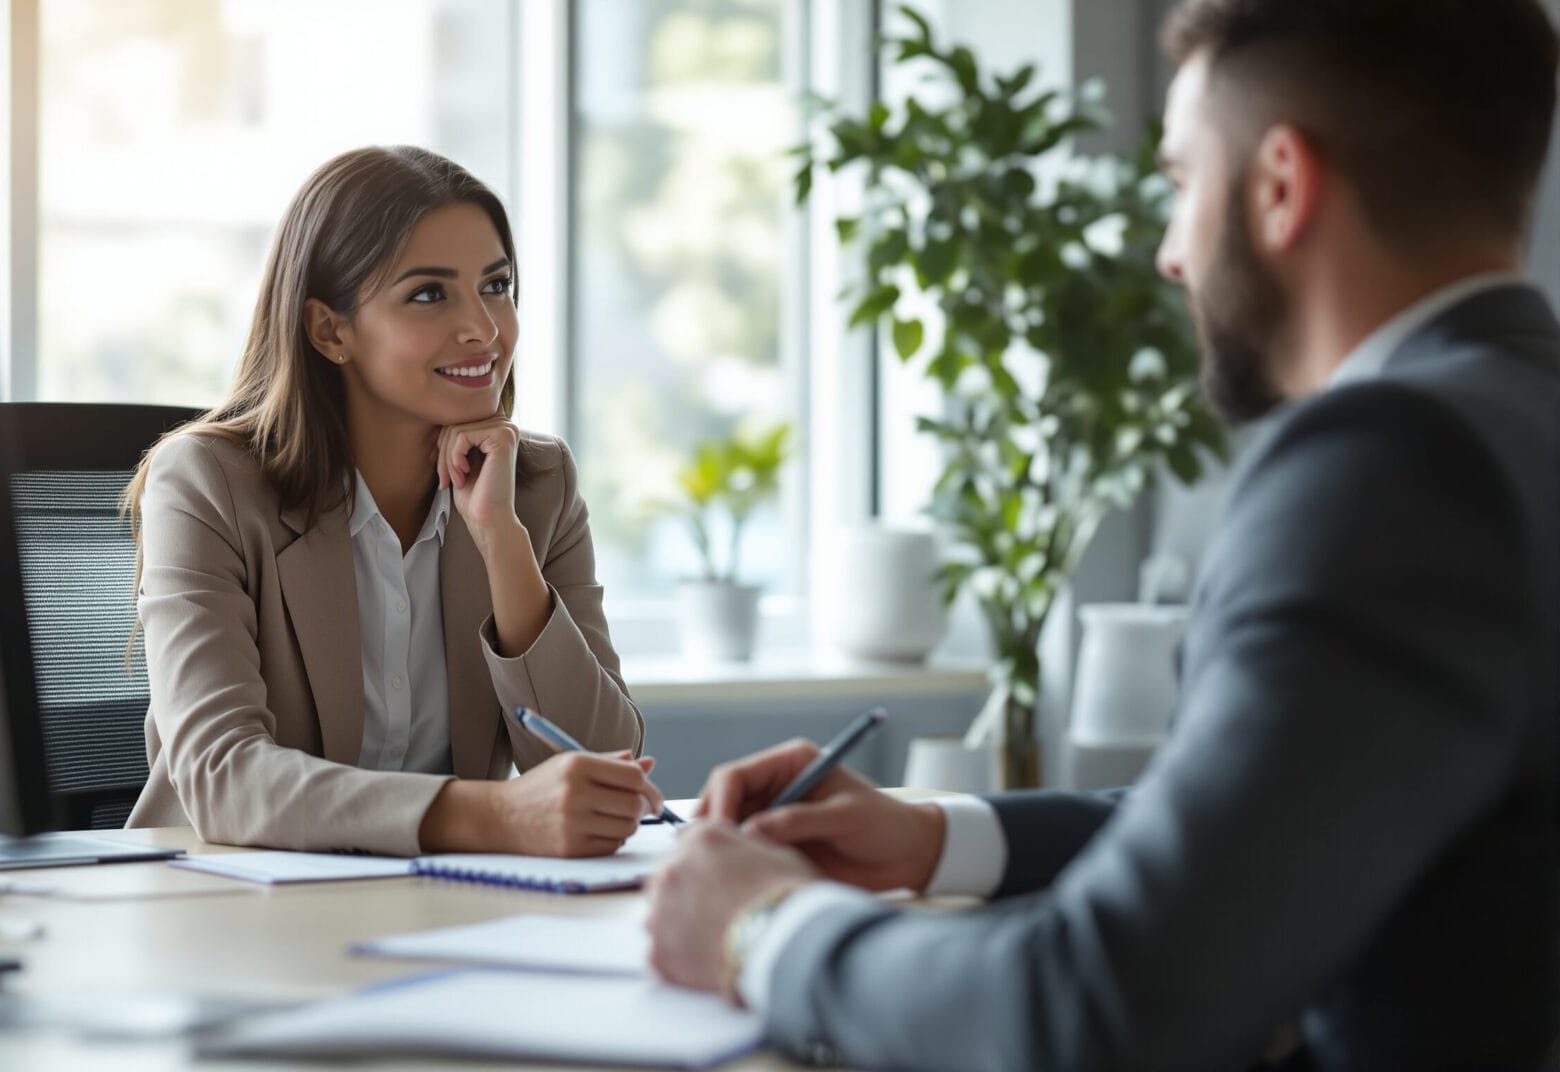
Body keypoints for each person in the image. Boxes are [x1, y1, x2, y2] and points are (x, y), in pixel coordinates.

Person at [645, 1, 1560, 1067]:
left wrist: (764, 930)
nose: (1171, 255)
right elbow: (1270, 820)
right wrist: (937, 835)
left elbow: (1104, 1005)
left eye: (1179, 182)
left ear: (1277, 186)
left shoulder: (1388, 462)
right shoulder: (1517, 421)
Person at [124, 147, 658, 858]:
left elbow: (603, 762)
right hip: (224, 910)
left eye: (496, 285)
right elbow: (224, 777)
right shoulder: (207, 484)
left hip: (444, 913)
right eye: (430, 294)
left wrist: (502, 539)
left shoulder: (536, 485)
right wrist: (492, 816)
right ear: (330, 330)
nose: (485, 328)